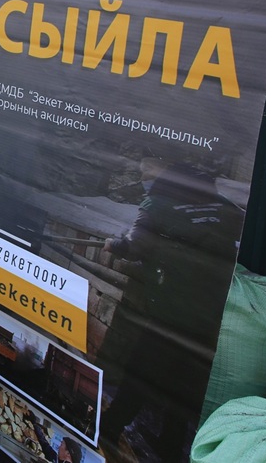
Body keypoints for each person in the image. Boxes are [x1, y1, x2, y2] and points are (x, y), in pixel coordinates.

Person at [98, 159, 241, 461]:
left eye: (149, 172)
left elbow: (135, 246)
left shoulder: (158, 204)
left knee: (141, 372)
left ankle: (110, 427)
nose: (145, 178)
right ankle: (171, 445)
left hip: (172, 310)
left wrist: (113, 244)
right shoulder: (225, 208)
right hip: (211, 314)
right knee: (184, 384)